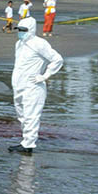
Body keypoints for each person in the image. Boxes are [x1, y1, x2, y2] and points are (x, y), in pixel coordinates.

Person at [9, 17, 63, 154]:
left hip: (33, 86)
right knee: (21, 115)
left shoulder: (39, 43)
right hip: (19, 85)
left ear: (31, 30)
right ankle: (25, 140)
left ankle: (29, 144)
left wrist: (44, 76)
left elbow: (57, 59)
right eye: (19, 30)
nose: (20, 32)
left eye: (23, 30)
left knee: (31, 115)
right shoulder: (19, 44)